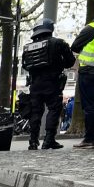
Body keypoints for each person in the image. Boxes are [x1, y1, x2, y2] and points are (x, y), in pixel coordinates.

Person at [21, 18, 75, 150]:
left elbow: (25, 66)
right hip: (52, 82)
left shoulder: (27, 48)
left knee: (35, 112)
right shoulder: (58, 43)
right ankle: (49, 140)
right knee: (54, 109)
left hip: (35, 85)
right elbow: (70, 61)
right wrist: (58, 64)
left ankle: (33, 141)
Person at [71, 0, 94, 149]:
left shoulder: (91, 28)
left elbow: (74, 46)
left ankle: (89, 139)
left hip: (89, 71)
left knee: (90, 106)